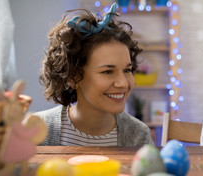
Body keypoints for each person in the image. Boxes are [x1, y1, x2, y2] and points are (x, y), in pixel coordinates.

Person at [34, 3, 153, 146]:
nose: (123, 83)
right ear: (73, 77)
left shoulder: (138, 135)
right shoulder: (38, 130)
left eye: (127, 70)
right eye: (107, 71)